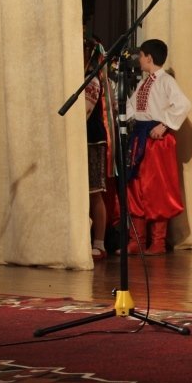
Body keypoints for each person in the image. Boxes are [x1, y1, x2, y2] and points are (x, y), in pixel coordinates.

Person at [125, 38, 191, 255]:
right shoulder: (144, 83)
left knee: (156, 189)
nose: (139, 59)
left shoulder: (165, 81)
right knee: (136, 186)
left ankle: (158, 241)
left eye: (141, 55)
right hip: (140, 137)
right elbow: (133, 106)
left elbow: (183, 105)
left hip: (156, 141)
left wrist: (164, 125)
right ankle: (137, 240)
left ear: (149, 58)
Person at [84, 37, 114, 261]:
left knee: (94, 191)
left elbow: (85, 112)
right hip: (84, 140)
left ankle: (99, 243)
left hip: (93, 140)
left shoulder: (93, 79)